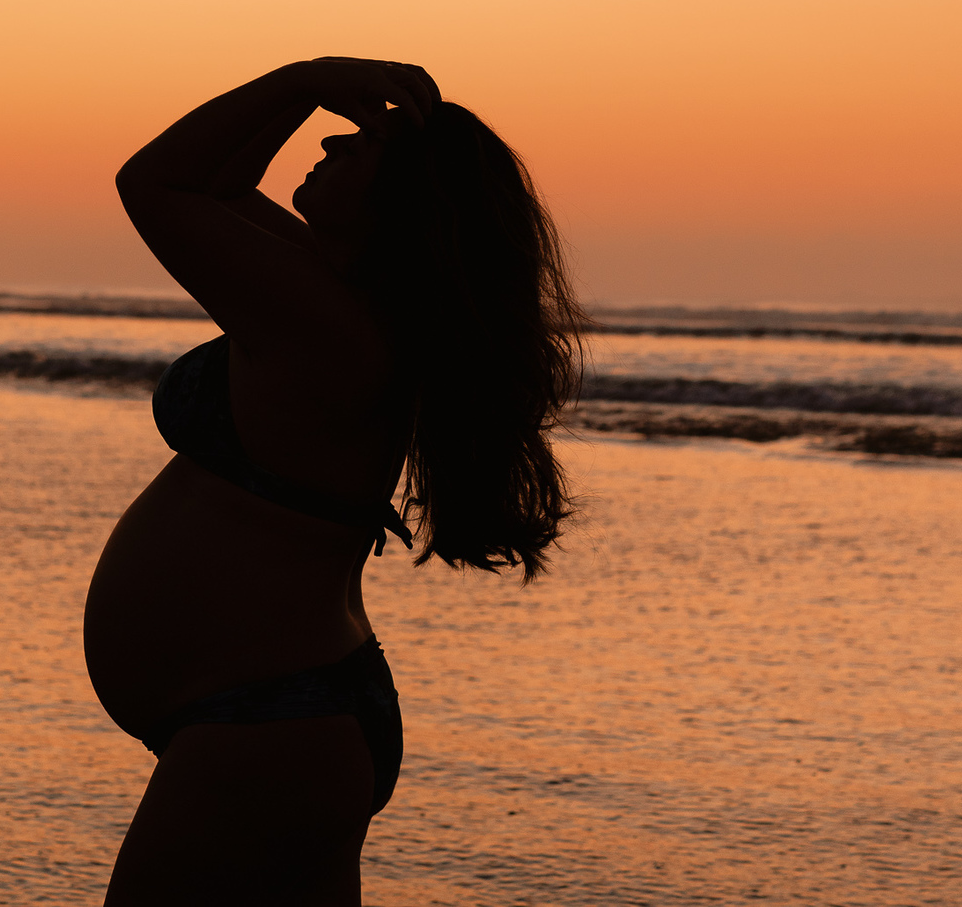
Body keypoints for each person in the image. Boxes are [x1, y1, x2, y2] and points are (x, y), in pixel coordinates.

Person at [84, 57, 587, 907]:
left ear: (406, 203)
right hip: (286, 717)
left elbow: (157, 182)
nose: (329, 134)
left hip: (269, 722)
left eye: (363, 142)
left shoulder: (328, 323)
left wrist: (307, 77)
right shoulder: (333, 293)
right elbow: (216, 182)